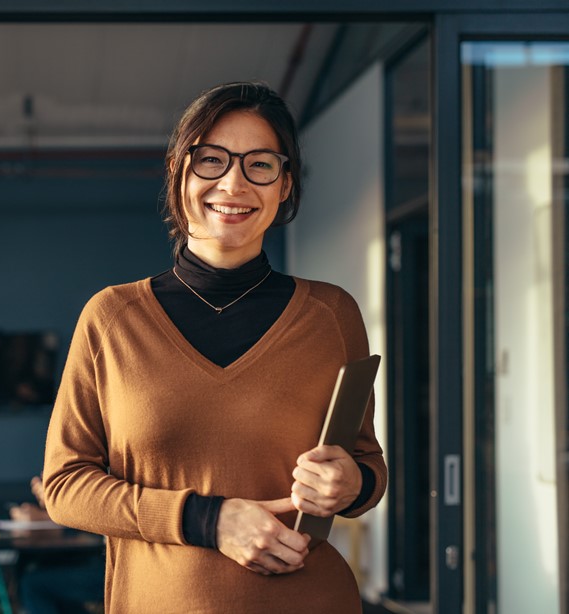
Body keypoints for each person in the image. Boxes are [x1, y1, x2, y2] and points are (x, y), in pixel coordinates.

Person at [42, 81, 387, 613]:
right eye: (212, 160)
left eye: (260, 164)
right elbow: (65, 487)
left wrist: (352, 483)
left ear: (285, 183)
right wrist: (210, 519)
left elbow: (367, 465)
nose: (234, 182)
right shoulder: (112, 318)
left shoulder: (331, 314)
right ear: (180, 173)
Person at [9, 476, 104, 614]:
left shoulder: (97, 485)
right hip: (92, 561)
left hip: (108, 569)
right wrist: (50, 507)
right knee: (29, 569)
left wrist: (49, 513)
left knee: (33, 585)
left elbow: (95, 537)